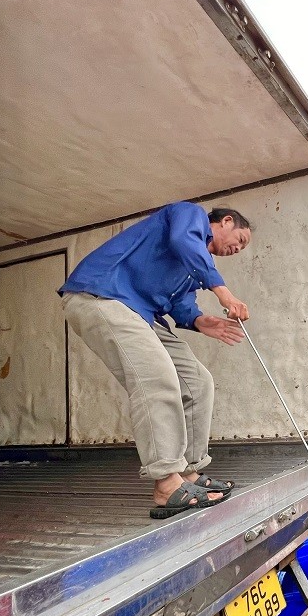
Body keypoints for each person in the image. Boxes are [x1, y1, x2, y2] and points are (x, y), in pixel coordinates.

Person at [59, 202, 251, 518]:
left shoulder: (192, 270)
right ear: (226, 221)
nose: (237, 250)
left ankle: (189, 473)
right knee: (156, 377)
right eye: (240, 240)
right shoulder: (191, 217)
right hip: (102, 294)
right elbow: (183, 241)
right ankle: (167, 483)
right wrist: (224, 294)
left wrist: (203, 321)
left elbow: (182, 306)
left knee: (198, 382)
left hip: (140, 313)